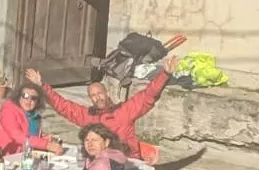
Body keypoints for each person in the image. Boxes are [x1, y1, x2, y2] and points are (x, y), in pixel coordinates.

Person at [25, 58, 177, 160]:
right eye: (93, 96)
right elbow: (63, 106)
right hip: (99, 164)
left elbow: (148, 95)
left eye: (99, 94)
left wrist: (165, 74)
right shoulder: (88, 116)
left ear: (107, 93)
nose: (97, 98)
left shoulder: (125, 110)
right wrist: (42, 86)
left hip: (126, 164)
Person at [0, 83, 64, 156]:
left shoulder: (34, 115)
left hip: (28, 155)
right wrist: (46, 145)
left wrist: (44, 138)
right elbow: (16, 135)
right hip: (8, 156)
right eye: (25, 96)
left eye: (33, 98)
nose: (29, 100)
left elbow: (30, 135)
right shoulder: (9, 110)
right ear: (18, 97)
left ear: (38, 101)